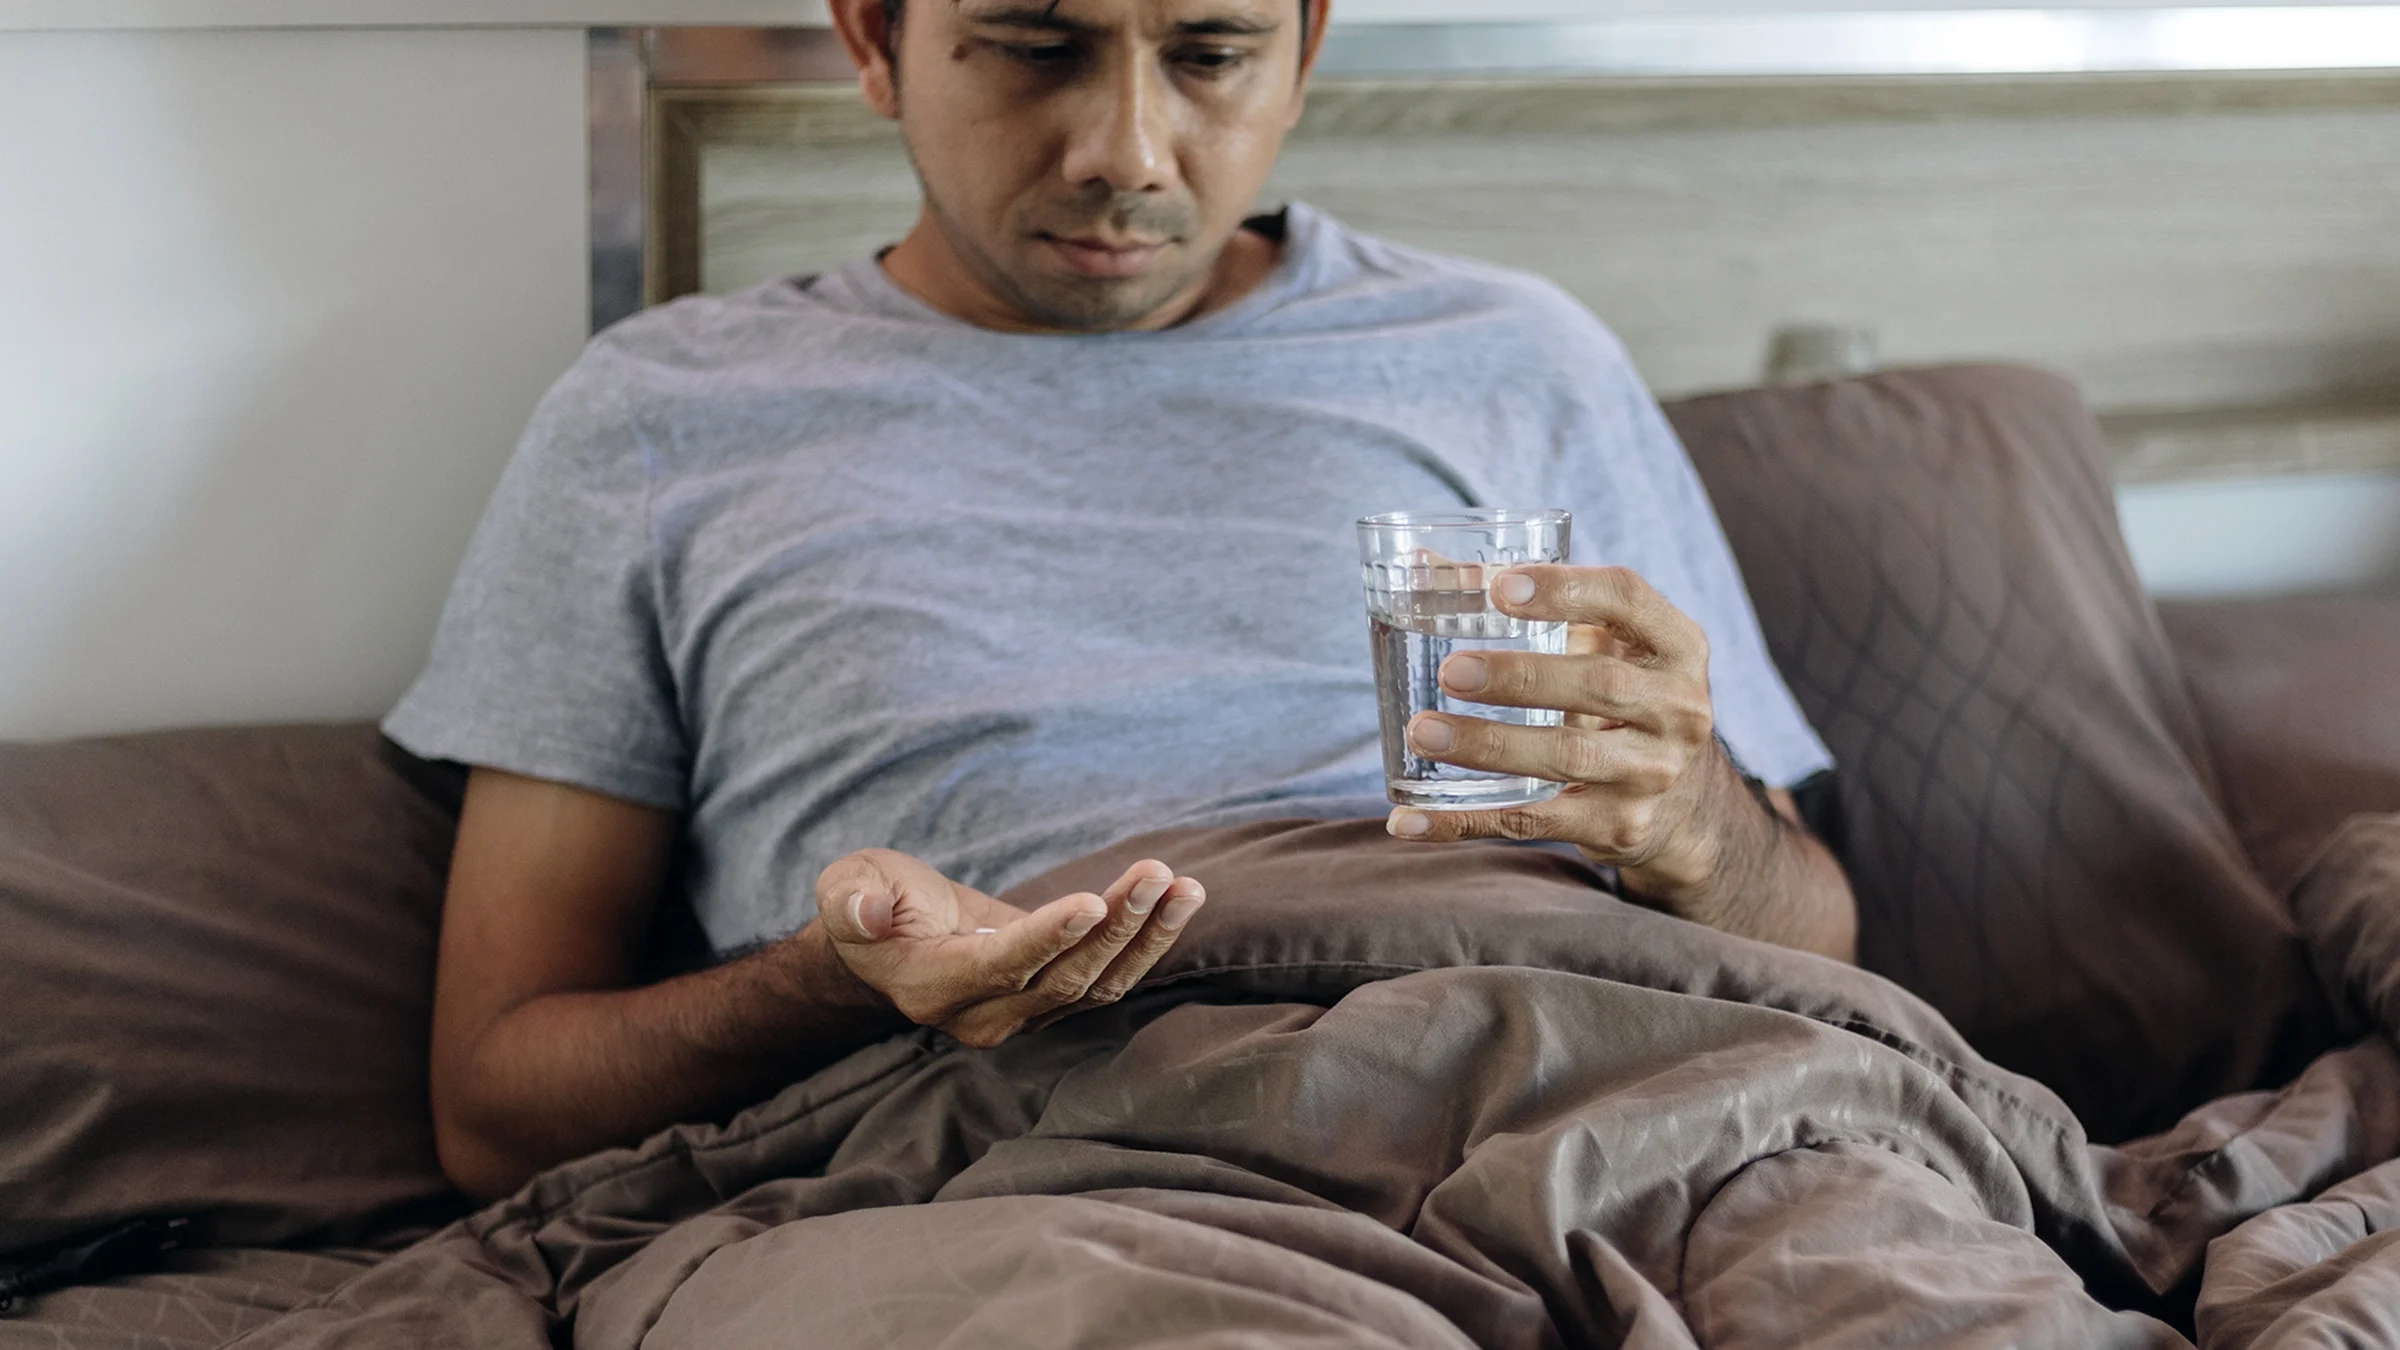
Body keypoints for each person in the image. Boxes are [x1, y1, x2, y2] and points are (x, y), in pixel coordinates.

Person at [386, 0, 1858, 1202]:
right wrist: (841, 983)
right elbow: (499, 1112)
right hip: (1066, 1158)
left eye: (1210, 56)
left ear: (1307, 50)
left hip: (1637, 1094)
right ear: (873, 40)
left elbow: (1814, 950)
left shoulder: (1516, 355)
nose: (1125, 151)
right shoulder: (660, 414)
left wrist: (1704, 825)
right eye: (1036, 46)